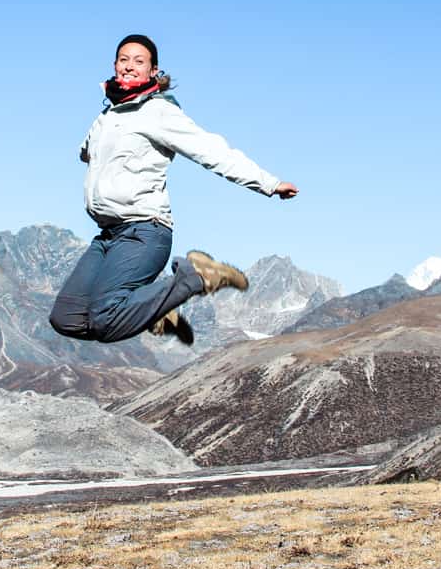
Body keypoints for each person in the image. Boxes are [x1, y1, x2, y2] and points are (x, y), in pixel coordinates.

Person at [48, 34, 299, 347]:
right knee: (65, 317)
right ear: (114, 66)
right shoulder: (106, 116)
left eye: (139, 61)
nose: (129, 66)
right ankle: (154, 311)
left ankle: (196, 276)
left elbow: (211, 150)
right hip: (109, 235)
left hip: (144, 231)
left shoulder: (159, 112)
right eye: (123, 59)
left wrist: (268, 183)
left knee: (104, 319)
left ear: (154, 71)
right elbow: (87, 152)